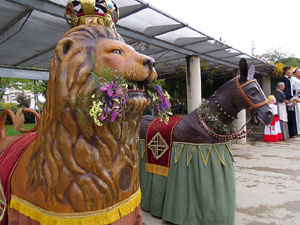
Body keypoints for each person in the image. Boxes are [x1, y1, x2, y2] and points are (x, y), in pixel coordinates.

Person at [282, 67, 297, 137]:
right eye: (289, 70)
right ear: (285, 71)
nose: (290, 71)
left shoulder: (289, 79)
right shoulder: (284, 79)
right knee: (290, 116)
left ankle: (294, 132)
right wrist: (290, 98)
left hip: (291, 98)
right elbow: (286, 91)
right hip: (288, 100)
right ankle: (290, 133)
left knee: (293, 116)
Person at [292, 68, 300, 135]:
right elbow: (293, 89)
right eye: (298, 72)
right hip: (296, 98)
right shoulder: (293, 79)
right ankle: (298, 130)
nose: (299, 73)